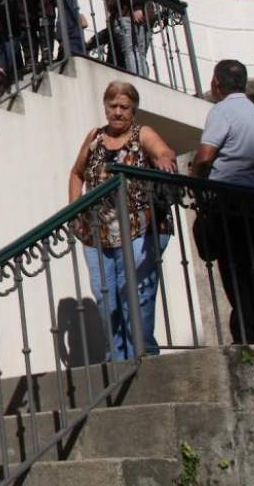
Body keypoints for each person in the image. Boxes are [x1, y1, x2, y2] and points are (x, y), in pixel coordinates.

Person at [67, 81, 177, 361]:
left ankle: (143, 354)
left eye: (124, 107)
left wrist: (165, 160)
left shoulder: (143, 133)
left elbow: (162, 151)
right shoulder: (94, 136)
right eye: (112, 106)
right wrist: (75, 207)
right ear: (105, 107)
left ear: (133, 109)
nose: (117, 112)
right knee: (106, 298)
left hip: (140, 228)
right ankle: (117, 358)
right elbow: (77, 172)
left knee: (135, 297)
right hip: (97, 232)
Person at [189, 59, 254, 346]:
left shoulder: (222, 110)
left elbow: (204, 157)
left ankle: (245, 334)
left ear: (216, 83)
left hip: (228, 201)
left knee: (234, 269)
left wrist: (197, 182)